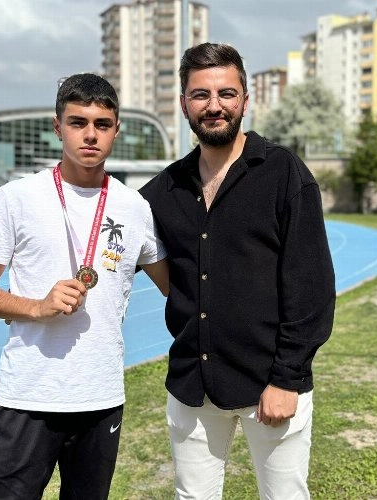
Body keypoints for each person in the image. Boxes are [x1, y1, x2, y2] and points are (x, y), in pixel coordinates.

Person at [139, 42, 335, 499]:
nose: (214, 106)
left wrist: (287, 378)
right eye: (201, 95)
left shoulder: (284, 173)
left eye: (226, 93)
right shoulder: (166, 188)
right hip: (192, 383)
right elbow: (112, 233)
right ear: (184, 104)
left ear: (246, 100)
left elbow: (311, 288)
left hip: (270, 382)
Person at [0, 73, 169, 499]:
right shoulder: (17, 197)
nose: (90, 135)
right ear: (58, 127)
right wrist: (36, 307)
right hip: (26, 397)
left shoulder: (134, 207)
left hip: (99, 398)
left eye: (102, 124)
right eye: (78, 123)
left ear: (116, 131)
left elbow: (176, 286)